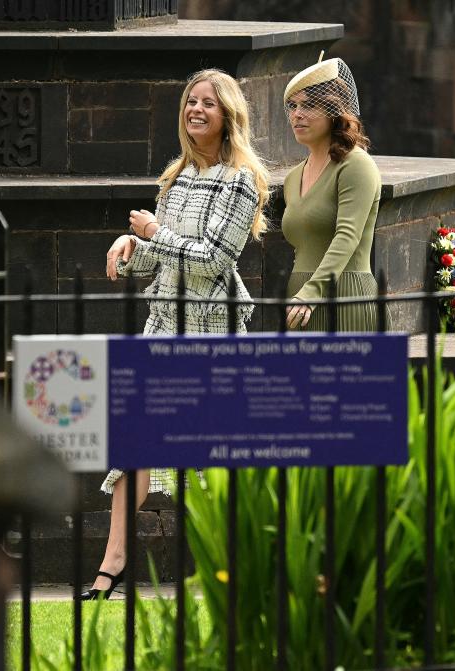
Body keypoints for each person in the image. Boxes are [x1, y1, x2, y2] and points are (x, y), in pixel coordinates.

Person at [84, 69, 271, 600]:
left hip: (211, 333)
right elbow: (164, 258)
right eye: (190, 101)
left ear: (227, 116)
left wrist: (153, 234)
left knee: (215, 458)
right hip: (162, 325)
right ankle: (112, 560)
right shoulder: (177, 176)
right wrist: (130, 245)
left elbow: (214, 261)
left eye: (208, 103)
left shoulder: (242, 182)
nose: (196, 110)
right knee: (133, 444)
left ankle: (238, 563)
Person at [281, 56, 383, 331]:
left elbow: (347, 236)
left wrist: (311, 293)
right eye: (293, 106)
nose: (297, 114)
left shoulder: (355, 164)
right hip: (298, 303)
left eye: (309, 105)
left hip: (346, 296)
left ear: (333, 111)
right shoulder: (292, 179)